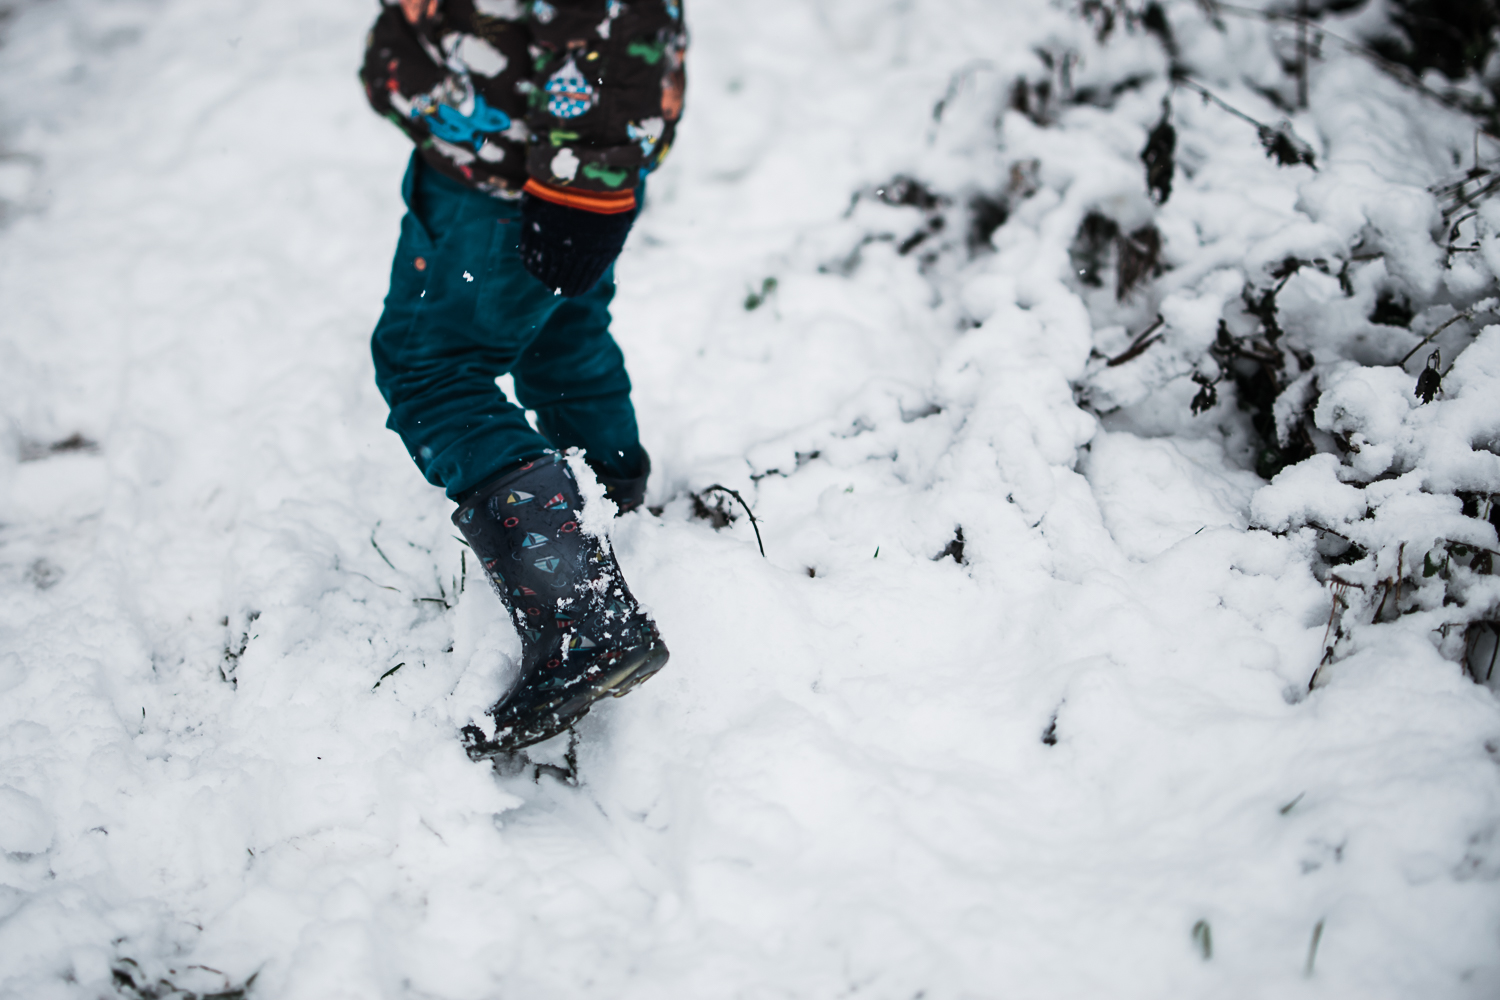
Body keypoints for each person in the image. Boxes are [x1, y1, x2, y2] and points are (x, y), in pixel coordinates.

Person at [359, 0, 686, 754]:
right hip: (541, 158)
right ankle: (608, 503)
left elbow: (606, 22)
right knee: (559, 331)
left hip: (516, 174)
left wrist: (580, 190)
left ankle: (584, 620)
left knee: (430, 369)